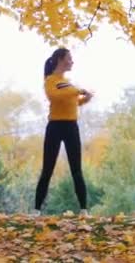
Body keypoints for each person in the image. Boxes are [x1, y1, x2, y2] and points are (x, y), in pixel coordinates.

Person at [33, 47, 93, 216]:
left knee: (76, 169)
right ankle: (36, 210)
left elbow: (71, 102)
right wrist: (79, 91)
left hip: (71, 127)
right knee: (47, 169)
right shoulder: (51, 80)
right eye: (69, 58)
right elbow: (55, 96)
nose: (72, 61)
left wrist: (84, 99)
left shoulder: (66, 83)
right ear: (60, 59)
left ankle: (83, 209)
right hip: (55, 127)